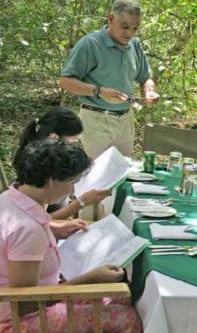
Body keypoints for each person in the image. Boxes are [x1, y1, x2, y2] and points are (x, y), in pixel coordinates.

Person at [0, 139, 142, 332]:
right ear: (51, 181)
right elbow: (24, 303)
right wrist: (92, 277)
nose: (74, 190)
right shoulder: (28, 230)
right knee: (129, 318)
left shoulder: (10, 198)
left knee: (121, 296)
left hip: (31, 298)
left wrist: (52, 229)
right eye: (72, 183)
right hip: (15, 320)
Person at [59, 0, 159, 159]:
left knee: (120, 173)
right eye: (125, 26)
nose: (129, 33)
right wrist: (98, 91)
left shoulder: (134, 45)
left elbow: (145, 77)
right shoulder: (90, 44)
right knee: (96, 178)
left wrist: (149, 92)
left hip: (126, 119)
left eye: (135, 28)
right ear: (111, 18)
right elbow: (65, 81)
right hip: (96, 119)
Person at [13, 106, 110, 226]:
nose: (74, 147)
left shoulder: (46, 158)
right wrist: (80, 203)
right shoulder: (37, 166)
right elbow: (38, 220)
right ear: (54, 138)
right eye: (73, 142)